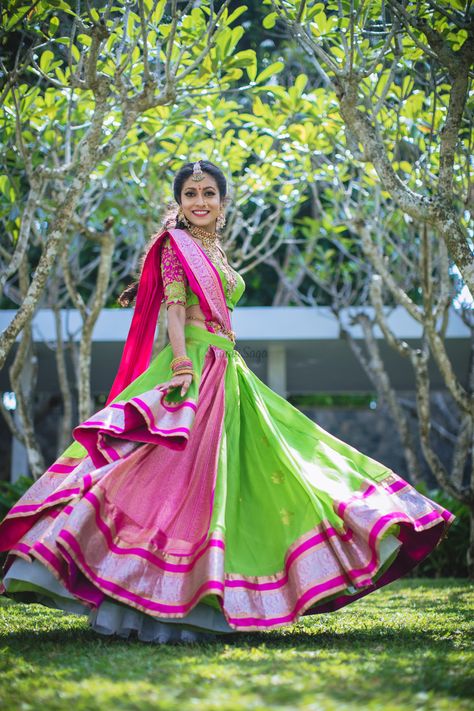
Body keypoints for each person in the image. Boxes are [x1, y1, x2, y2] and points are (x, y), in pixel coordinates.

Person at [0, 160, 454, 644]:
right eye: (191, 193)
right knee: (169, 480)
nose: (200, 201)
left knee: (251, 474)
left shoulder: (213, 249)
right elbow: (175, 309)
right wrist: (180, 366)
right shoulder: (178, 247)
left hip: (227, 366)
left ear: (222, 201)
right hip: (193, 367)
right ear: (179, 202)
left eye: (209, 193)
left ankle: (218, 596)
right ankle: (140, 596)